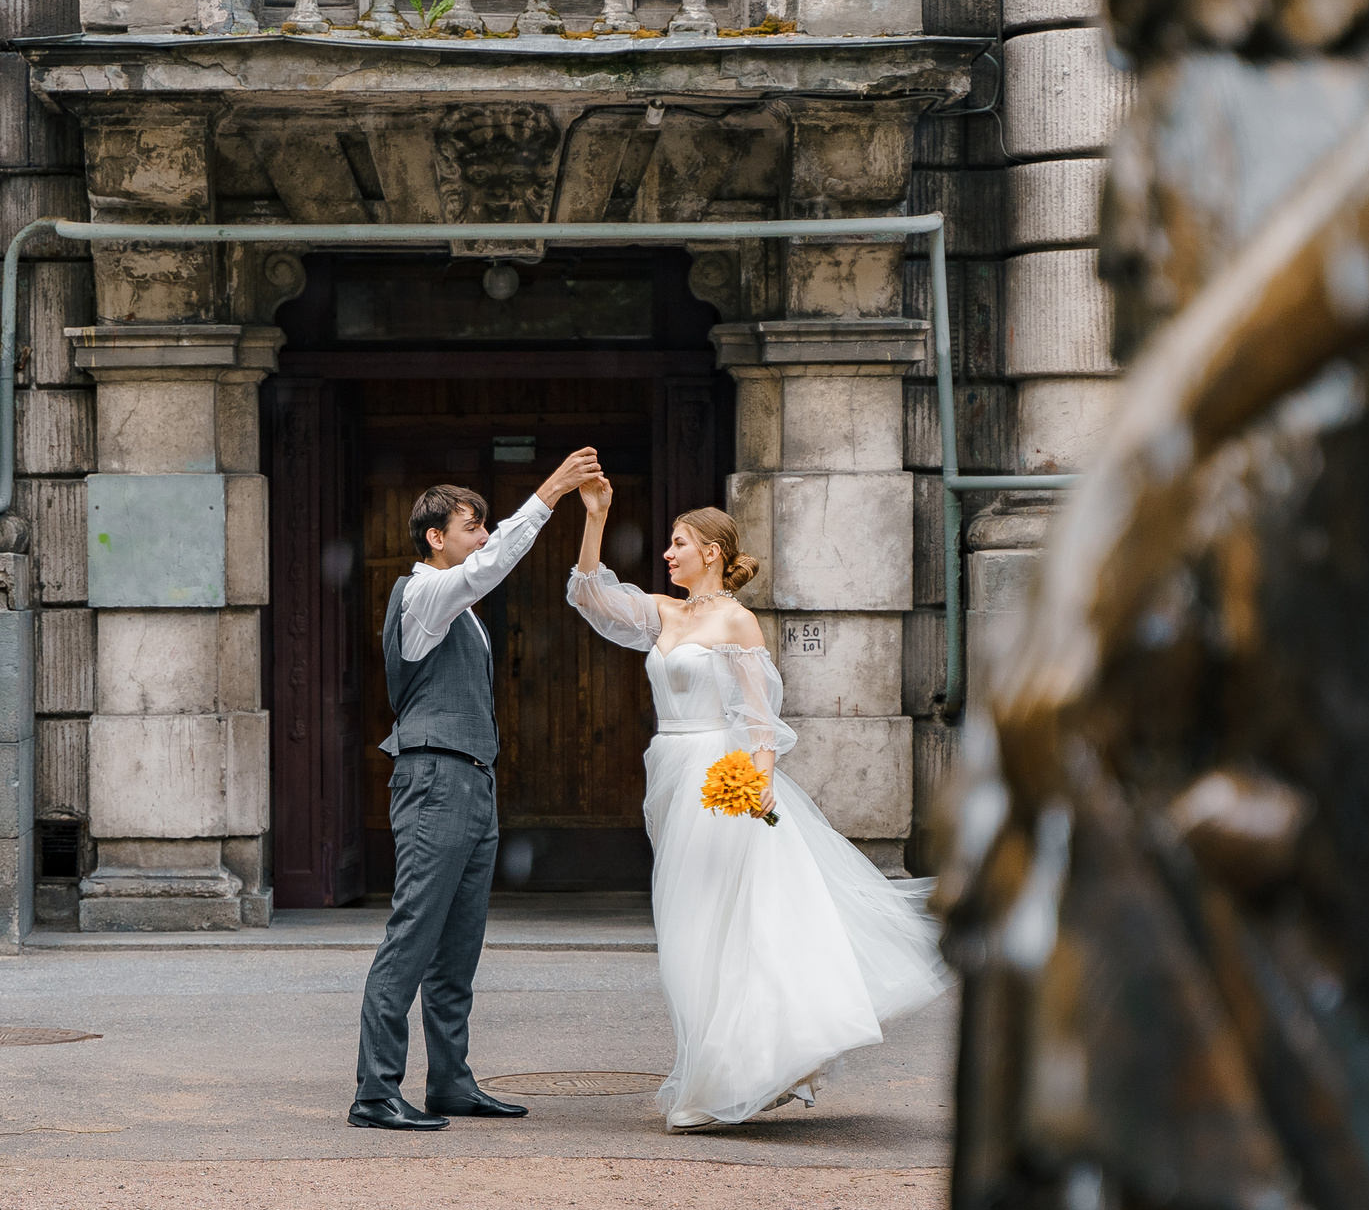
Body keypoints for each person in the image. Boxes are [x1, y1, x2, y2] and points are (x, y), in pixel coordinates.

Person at [564, 480, 948, 1129]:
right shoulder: (663, 611)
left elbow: (759, 712)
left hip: (720, 776)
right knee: (686, 928)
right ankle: (724, 1065)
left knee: (716, 927)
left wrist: (759, 774)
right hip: (670, 773)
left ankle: (724, 1076)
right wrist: (595, 517)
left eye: (678, 543)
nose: (666, 553)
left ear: (711, 552)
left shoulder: (736, 621)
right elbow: (593, 596)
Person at [349, 447, 604, 1132]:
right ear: (436, 537)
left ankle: (451, 1082)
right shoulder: (427, 591)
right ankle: (375, 1090)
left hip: (470, 780)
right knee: (412, 935)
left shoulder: (460, 611)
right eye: (472, 526)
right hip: (434, 778)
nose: (483, 537)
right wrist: (552, 489)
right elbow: (493, 566)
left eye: (486, 525)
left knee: (458, 943)